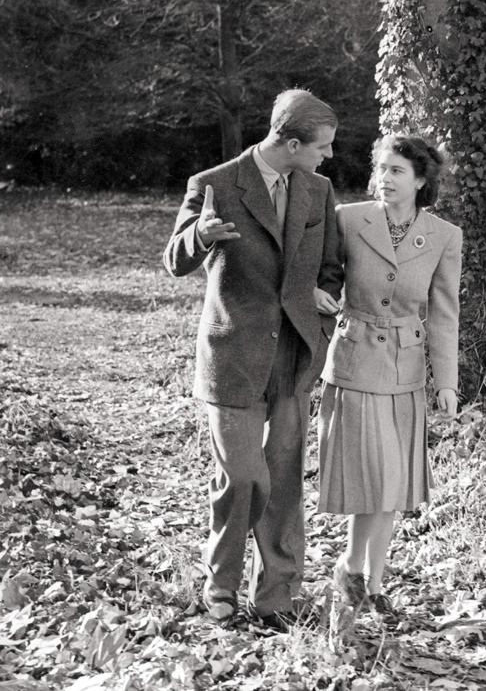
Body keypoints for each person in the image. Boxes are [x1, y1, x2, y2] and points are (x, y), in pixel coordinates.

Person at [162, 89, 342, 628]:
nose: (328, 156)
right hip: (233, 355)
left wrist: (319, 303)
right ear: (290, 143)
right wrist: (200, 235)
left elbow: (328, 265)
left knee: (284, 480)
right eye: (322, 147)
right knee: (243, 476)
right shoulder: (214, 184)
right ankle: (221, 584)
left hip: (292, 356)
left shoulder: (319, 189)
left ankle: (278, 595)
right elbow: (174, 260)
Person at [318, 133, 462, 620]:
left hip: (405, 368)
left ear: (421, 180)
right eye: (381, 168)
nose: (384, 179)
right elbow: (324, 278)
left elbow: (444, 313)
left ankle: (370, 580)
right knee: (375, 479)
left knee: (394, 484)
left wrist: (446, 381)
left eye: (397, 171)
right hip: (356, 360)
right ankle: (353, 568)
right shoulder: (349, 219)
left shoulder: (444, 236)